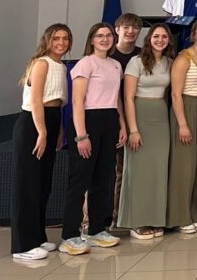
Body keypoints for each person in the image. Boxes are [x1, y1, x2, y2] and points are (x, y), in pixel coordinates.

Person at [60, 23, 125, 255]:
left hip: (109, 120)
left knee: (103, 178)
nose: (105, 39)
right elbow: (77, 101)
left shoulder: (116, 65)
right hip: (87, 121)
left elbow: (117, 98)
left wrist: (122, 125)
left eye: (108, 35)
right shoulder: (85, 64)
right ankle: (69, 235)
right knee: (80, 180)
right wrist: (81, 135)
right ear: (92, 39)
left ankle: (96, 230)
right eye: (100, 36)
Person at [11, 24, 72, 260]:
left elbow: (58, 102)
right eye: (56, 38)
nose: (61, 43)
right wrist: (42, 132)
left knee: (42, 184)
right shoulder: (41, 63)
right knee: (27, 184)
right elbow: (36, 100)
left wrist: (58, 131)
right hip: (33, 125)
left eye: (65, 39)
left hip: (52, 120)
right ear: (47, 40)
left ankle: (37, 237)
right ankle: (23, 245)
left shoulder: (61, 66)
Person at [118, 23, 174, 239]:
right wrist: (133, 129)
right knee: (138, 171)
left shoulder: (169, 62)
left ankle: (155, 218)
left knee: (158, 170)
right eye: (156, 36)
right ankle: (136, 222)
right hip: (140, 114)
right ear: (149, 38)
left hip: (161, 116)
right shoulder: (136, 61)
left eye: (164, 37)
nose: (160, 40)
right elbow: (128, 97)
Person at [167, 19, 197, 234]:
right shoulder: (182, 58)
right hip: (185, 108)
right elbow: (175, 94)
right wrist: (182, 124)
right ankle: (181, 216)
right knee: (184, 165)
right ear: (193, 35)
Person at [110, 13, 142, 225]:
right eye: (126, 27)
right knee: (112, 171)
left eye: (135, 28)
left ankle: (122, 218)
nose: (131, 31)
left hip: (137, 118)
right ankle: (99, 220)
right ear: (117, 29)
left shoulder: (142, 55)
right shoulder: (108, 54)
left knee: (128, 170)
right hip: (111, 117)